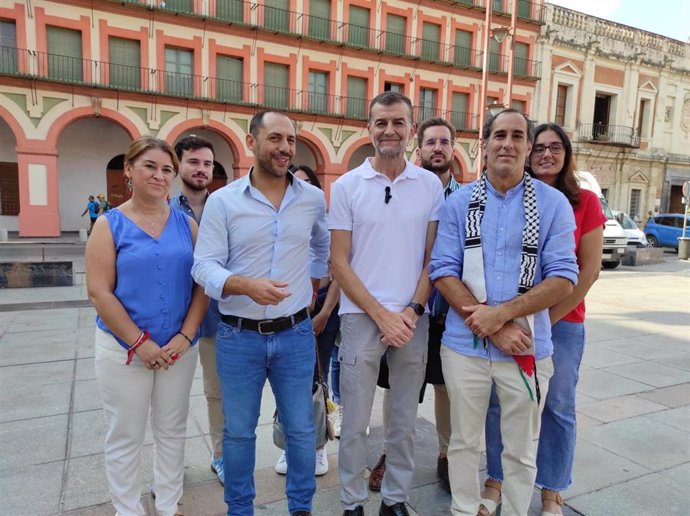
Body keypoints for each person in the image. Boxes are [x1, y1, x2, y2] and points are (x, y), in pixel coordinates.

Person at [428, 109, 579, 516]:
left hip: (528, 347)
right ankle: (463, 510)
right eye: (499, 135)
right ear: (485, 144)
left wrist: (503, 315)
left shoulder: (553, 205)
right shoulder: (459, 203)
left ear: (528, 147)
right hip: (464, 347)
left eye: (517, 136)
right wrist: (493, 326)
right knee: (462, 441)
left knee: (519, 450)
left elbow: (565, 276)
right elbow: (442, 269)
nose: (507, 143)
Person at [192, 111, 329, 516]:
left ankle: (301, 507)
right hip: (238, 337)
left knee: (302, 430)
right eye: (275, 138)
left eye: (290, 140)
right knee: (237, 433)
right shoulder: (223, 201)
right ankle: (240, 509)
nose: (285, 147)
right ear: (252, 143)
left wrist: (313, 286)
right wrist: (244, 284)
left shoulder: (312, 199)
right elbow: (204, 266)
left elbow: (322, 246)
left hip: (295, 335)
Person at [481, 123, 606, 516]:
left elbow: (587, 272)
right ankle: (496, 480)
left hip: (562, 321)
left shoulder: (583, 201)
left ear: (567, 154)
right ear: (529, 153)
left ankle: (552, 491)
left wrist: (547, 318)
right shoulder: (511, 197)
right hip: (512, 320)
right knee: (501, 403)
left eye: (557, 148)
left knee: (558, 405)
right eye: (540, 148)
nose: (547, 155)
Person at [329, 91, 444, 516]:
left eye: (398, 122)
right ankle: (352, 502)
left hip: (413, 319)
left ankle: (394, 499)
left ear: (411, 129)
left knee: (404, 422)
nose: (389, 130)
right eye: (381, 122)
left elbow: (434, 259)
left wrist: (411, 311)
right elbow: (339, 262)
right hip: (361, 317)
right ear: (369, 128)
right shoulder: (347, 186)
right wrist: (381, 314)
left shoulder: (430, 185)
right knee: (356, 422)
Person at [86, 136, 208, 516]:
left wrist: (185, 336)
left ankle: (170, 505)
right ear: (129, 171)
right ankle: (127, 509)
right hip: (123, 350)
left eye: (167, 169)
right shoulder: (109, 225)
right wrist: (140, 343)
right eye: (150, 166)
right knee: (125, 434)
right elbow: (100, 292)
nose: (160, 175)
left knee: (172, 431)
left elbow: (201, 285)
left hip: (177, 349)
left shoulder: (187, 225)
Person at [368, 117, 461, 494]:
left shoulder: (467, 199)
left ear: (454, 150)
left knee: (445, 388)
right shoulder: (400, 190)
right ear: (418, 147)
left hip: (447, 313)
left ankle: (446, 455)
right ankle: (391, 453)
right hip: (405, 311)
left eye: (444, 141)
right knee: (397, 388)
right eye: (430, 142)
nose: (437, 148)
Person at [274, 164, 341, 477]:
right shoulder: (280, 227)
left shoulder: (326, 224)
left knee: (317, 379)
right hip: (288, 312)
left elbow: (339, 272)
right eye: (291, 184)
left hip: (322, 310)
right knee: (287, 382)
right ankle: (289, 445)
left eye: (303, 184)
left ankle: (318, 447)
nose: (295, 190)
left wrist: (325, 313)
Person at [170, 135, 226, 485]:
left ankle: (220, 455)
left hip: (216, 320)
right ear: (178, 165)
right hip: (172, 319)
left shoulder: (225, 206)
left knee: (216, 392)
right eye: (193, 161)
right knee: (169, 399)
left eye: (207, 163)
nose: (201, 169)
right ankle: (169, 465)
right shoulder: (165, 209)